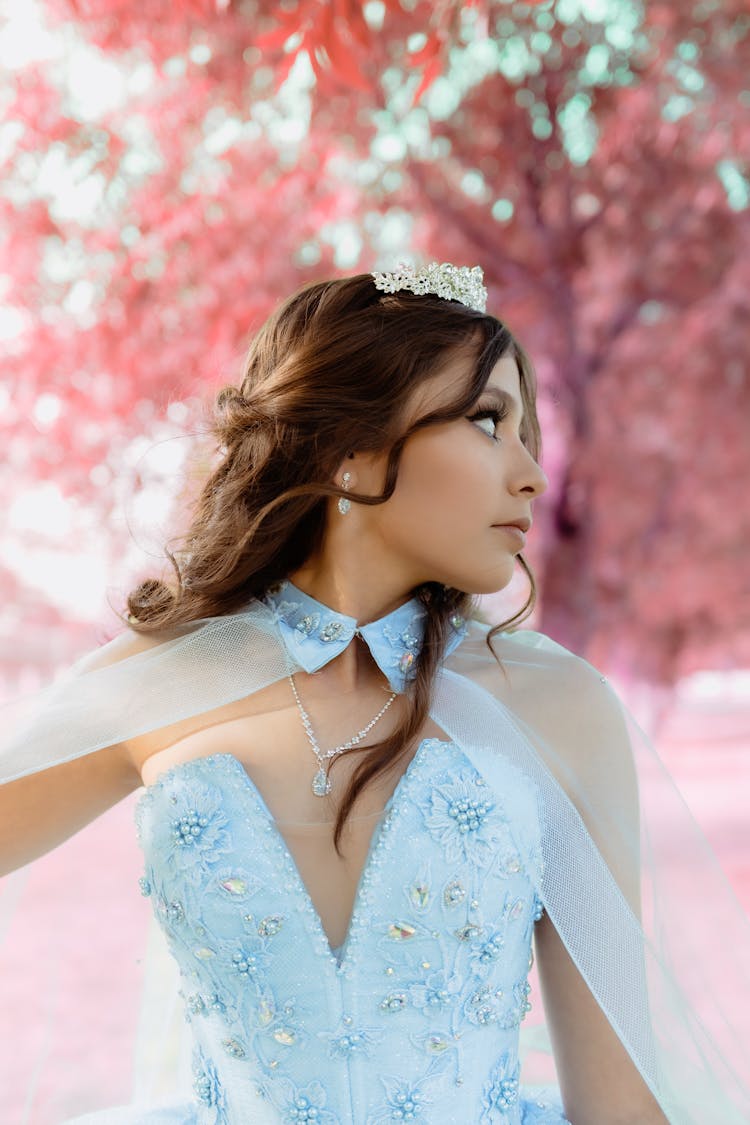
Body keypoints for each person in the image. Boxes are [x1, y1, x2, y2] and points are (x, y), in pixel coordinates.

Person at [1, 263, 749, 1124]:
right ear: (352, 450)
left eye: (523, 430)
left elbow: (619, 1106)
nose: (532, 474)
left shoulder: (560, 708)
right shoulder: (167, 677)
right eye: (486, 421)